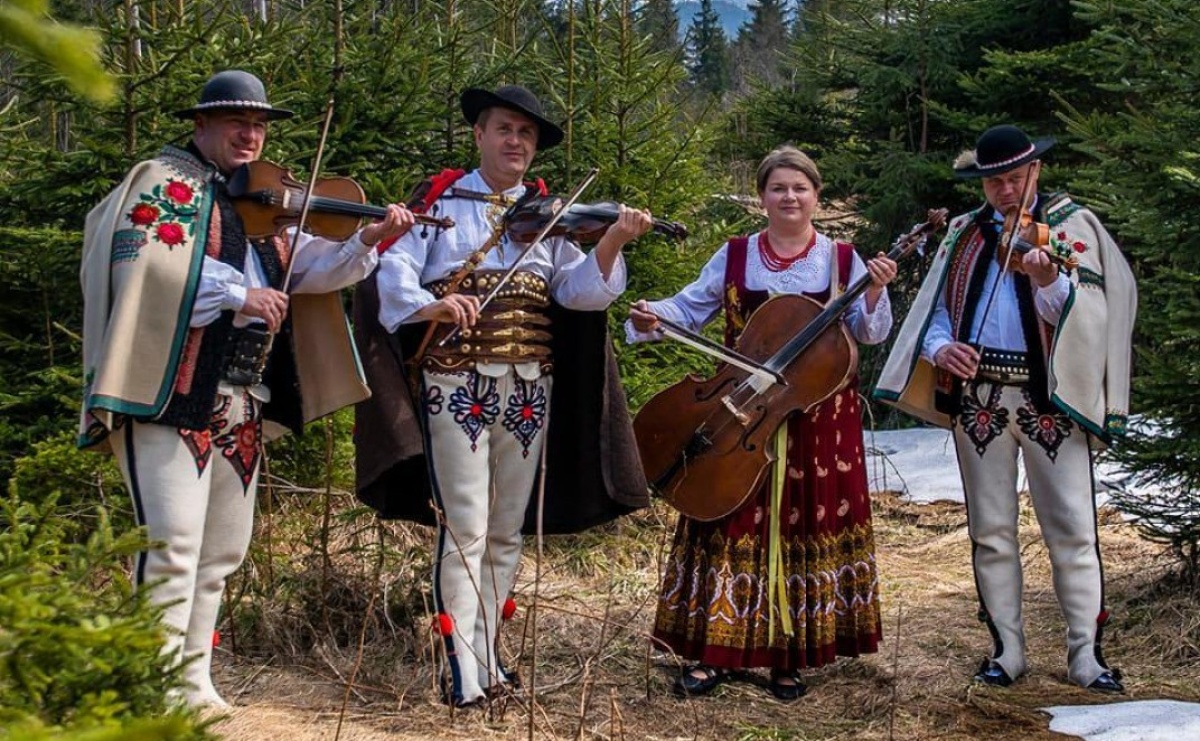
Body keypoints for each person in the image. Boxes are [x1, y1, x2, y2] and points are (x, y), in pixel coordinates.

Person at [78, 70, 414, 708]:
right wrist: (239, 291)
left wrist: (371, 238)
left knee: (221, 550)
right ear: (200, 125)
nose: (250, 134)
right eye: (236, 122)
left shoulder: (267, 203)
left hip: (243, 401)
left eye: (258, 124)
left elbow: (310, 269)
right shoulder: (165, 182)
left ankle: (191, 681)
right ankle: (152, 690)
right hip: (169, 396)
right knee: (172, 542)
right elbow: (146, 261)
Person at [355, 84, 653, 708]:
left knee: (507, 529)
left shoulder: (550, 216)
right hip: (455, 383)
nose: (516, 142)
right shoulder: (440, 202)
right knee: (464, 522)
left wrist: (612, 241)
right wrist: (429, 304)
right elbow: (392, 272)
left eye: (526, 135)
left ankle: (489, 654)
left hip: (528, 390)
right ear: (479, 135)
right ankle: (460, 665)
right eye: (505, 130)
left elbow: (578, 295)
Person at [627, 145, 897, 701]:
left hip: (815, 420)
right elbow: (690, 308)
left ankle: (788, 657)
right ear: (762, 197)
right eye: (778, 188)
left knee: (804, 527)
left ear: (817, 198)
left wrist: (875, 290)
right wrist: (655, 313)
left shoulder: (844, 261)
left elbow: (870, 334)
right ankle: (710, 652)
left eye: (800, 188)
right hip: (737, 410)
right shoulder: (734, 256)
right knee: (723, 516)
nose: (789, 197)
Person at [875, 124, 1136, 693]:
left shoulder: (1071, 229)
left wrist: (1048, 280)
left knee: (1072, 527)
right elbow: (935, 309)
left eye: (1015, 178)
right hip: (980, 402)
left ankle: (1086, 656)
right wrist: (941, 346)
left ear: (1035, 173)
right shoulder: (965, 233)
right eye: (994, 182)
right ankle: (1006, 651)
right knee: (990, 530)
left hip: (1051, 400)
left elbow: (1091, 315)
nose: (1005, 191)